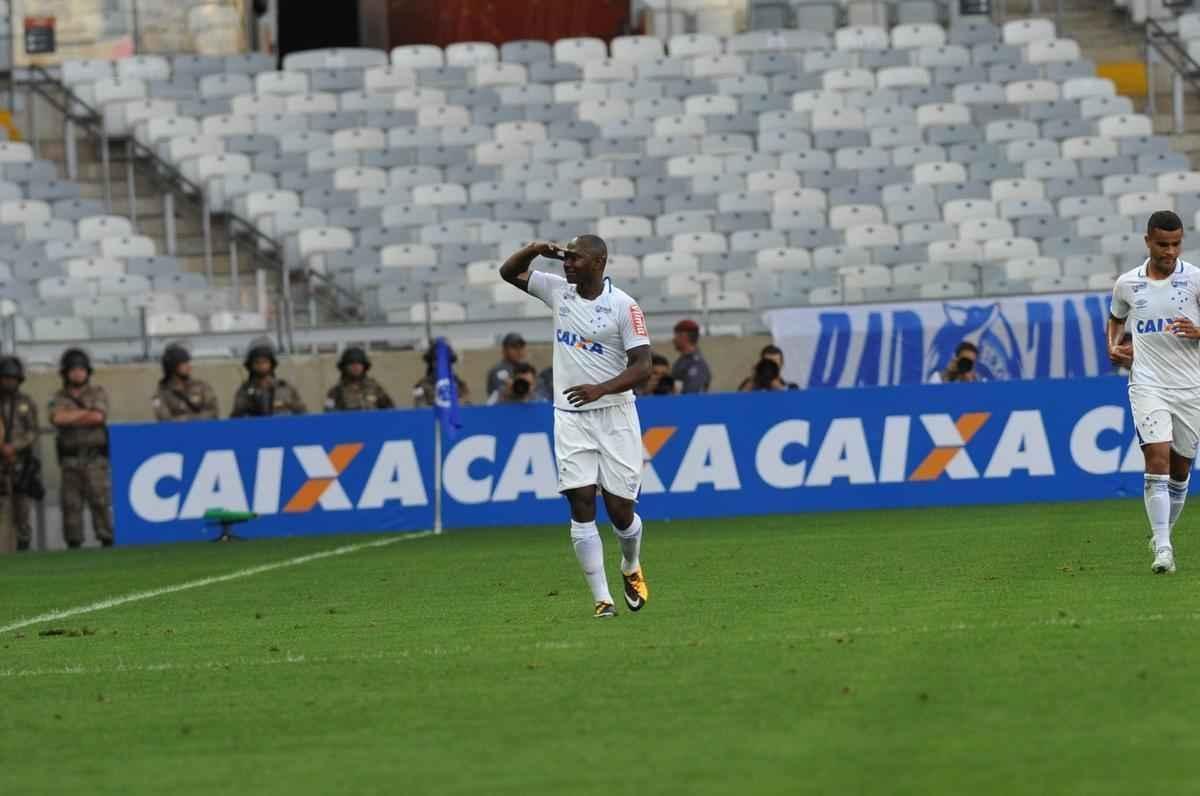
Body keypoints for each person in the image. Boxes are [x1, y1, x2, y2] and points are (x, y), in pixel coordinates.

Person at [501, 235, 652, 619]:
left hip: (615, 414)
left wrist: (601, 389)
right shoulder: (558, 292)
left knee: (620, 512)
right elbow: (508, 273)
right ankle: (602, 599)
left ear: (599, 262)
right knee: (581, 501)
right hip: (570, 416)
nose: (567, 264)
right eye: (565, 258)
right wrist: (534, 249)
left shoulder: (624, 306)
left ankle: (630, 564)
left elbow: (643, 366)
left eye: (576, 259)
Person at [1108, 210, 1200, 574]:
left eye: (1176, 244)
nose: (1170, 251)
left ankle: (1164, 533)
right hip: (1147, 384)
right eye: (1163, 244)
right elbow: (1116, 318)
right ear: (1148, 241)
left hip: (1191, 388)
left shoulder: (1195, 279)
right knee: (1157, 460)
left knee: (1180, 471)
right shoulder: (1127, 284)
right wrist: (1113, 346)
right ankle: (1163, 549)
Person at [49, 348, 113, 548]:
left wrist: (71, 415)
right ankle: (74, 545)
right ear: (66, 372)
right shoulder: (58, 396)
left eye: (82, 369)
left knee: (100, 503)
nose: (78, 373)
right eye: (74, 370)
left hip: (95, 460)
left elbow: (98, 416)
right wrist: (85, 413)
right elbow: (57, 418)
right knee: (71, 506)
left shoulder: (98, 392)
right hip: (70, 461)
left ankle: (107, 541)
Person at [0, 356, 36, 552]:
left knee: (22, 509)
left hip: (20, 463)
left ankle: (24, 548)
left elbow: (32, 432)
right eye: (5, 378)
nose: (9, 382)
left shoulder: (26, 402)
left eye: (12, 378)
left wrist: (14, 447)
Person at [231, 337, 307, 417]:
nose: (261, 366)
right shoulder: (244, 391)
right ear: (251, 365)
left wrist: (287, 405)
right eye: (257, 362)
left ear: (271, 364)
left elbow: (303, 414)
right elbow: (236, 418)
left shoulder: (285, 388)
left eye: (265, 362)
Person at [152, 343, 219, 421]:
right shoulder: (161, 394)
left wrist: (191, 420)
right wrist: (189, 420)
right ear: (172, 366)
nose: (189, 366)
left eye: (188, 362)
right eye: (184, 363)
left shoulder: (202, 386)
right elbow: (165, 420)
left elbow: (213, 412)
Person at [325, 347, 395, 411]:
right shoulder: (335, 392)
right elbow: (329, 414)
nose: (355, 366)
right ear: (344, 367)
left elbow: (390, 410)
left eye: (359, 363)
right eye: (351, 363)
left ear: (364, 366)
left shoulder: (375, 388)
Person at [412, 343, 471, 407]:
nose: (441, 364)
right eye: (436, 360)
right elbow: (419, 408)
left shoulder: (460, 385)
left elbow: (467, 406)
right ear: (432, 363)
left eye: (445, 360)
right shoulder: (421, 385)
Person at [671, 319, 711, 393]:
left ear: (684, 336)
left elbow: (692, 392)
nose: (673, 339)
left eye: (676, 335)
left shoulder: (696, 364)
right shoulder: (681, 361)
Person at [485, 333, 528, 398]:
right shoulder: (498, 370)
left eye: (521, 347)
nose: (519, 351)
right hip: (505, 404)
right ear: (504, 350)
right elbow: (501, 393)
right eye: (514, 347)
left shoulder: (526, 368)